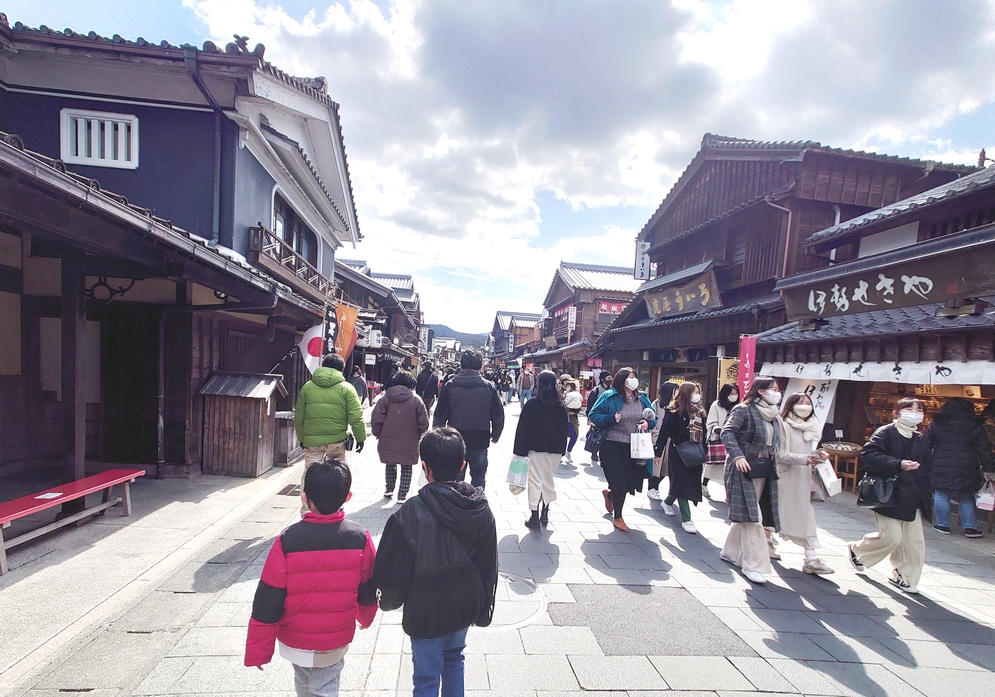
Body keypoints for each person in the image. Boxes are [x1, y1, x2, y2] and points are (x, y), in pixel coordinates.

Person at [373, 427, 498, 697]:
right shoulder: (479, 507)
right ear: (463, 465)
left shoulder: (410, 512)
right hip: (464, 602)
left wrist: (388, 601)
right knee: (454, 660)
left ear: (424, 466)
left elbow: (393, 568)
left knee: (427, 676)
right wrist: (483, 605)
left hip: (425, 608)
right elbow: (489, 562)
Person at [244, 458, 377, 696]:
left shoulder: (287, 540)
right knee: (325, 686)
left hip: (296, 636)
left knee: (304, 683)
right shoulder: (359, 538)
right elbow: (367, 586)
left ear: (305, 498)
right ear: (347, 497)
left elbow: (268, 598)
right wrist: (365, 617)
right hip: (335, 637)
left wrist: (258, 650)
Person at [847, 398, 933, 593]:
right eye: (909, 408)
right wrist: (898, 463)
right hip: (888, 493)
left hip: (912, 495)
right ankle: (858, 551)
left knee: (914, 542)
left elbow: (927, 466)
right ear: (896, 413)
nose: (915, 412)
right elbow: (869, 454)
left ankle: (905, 576)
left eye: (919, 410)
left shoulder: (920, 438)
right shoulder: (886, 433)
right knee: (892, 537)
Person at [719, 376, 783, 585]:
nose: (776, 392)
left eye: (777, 389)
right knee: (753, 518)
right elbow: (727, 432)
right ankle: (753, 565)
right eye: (772, 389)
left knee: (749, 513)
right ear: (761, 391)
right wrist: (737, 455)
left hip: (763, 469)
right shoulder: (743, 410)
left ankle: (730, 552)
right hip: (743, 468)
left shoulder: (774, 416)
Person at [294, 354, 366, 515]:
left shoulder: (307, 387)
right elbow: (356, 417)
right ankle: (335, 507)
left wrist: (301, 438)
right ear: (341, 369)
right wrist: (360, 438)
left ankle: (307, 510)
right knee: (338, 473)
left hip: (312, 440)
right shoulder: (346, 388)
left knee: (309, 473)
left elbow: (299, 417)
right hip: (336, 440)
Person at [587, 367, 656, 532]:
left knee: (628, 481)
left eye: (635, 377)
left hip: (634, 446)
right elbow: (593, 415)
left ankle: (610, 496)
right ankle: (617, 516)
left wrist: (648, 423)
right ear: (622, 379)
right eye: (630, 377)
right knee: (619, 480)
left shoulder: (642, 398)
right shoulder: (609, 396)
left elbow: (653, 418)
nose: (633, 380)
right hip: (612, 444)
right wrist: (611, 418)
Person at [776, 393, 834, 575]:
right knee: (777, 516)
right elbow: (779, 454)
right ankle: (766, 543)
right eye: (800, 402)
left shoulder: (810, 428)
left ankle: (811, 559)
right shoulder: (783, 425)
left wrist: (818, 455)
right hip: (785, 478)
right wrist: (806, 459)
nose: (805, 406)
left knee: (807, 517)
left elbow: (806, 452)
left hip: (802, 479)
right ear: (790, 405)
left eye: (808, 402)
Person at [433, 349, 505, 489]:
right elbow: (498, 415)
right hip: (480, 437)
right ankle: (476, 505)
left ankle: (456, 506)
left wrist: (437, 436)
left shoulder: (451, 385)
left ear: (461, 365)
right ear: (480, 366)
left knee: (456, 477)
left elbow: (440, 414)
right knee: (478, 476)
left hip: (455, 439)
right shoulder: (488, 387)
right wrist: (496, 434)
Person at [923, 397, 993, 538]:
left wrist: (924, 462)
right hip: (968, 464)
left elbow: (925, 444)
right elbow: (984, 449)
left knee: (941, 493)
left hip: (940, 463)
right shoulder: (975, 425)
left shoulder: (938, 423)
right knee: (966, 496)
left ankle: (942, 525)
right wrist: (988, 468)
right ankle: (970, 527)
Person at [513, 370, 569, 529]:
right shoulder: (560, 406)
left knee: (536, 481)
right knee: (548, 480)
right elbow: (564, 430)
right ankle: (545, 511)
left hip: (535, 450)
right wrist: (562, 450)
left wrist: (519, 451)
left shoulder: (532, 404)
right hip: (555, 451)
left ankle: (534, 515)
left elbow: (522, 430)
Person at [655, 382, 706, 534]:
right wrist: (658, 452)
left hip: (695, 451)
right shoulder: (672, 411)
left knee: (687, 482)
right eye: (694, 392)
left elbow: (705, 433)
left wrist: (706, 450)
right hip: (678, 451)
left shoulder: (700, 412)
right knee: (682, 482)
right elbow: (664, 432)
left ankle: (667, 501)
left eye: (698, 392)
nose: (697, 395)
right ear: (685, 394)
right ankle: (687, 519)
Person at [372, 371, 430, 502]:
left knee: (390, 463)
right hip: (410, 438)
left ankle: (389, 489)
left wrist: (378, 433)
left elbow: (377, 418)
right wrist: (419, 433)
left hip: (388, 436)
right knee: (406, 465)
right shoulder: (416, 400)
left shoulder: (386, 398)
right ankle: (402, 495)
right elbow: (423, 422)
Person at [704, 383, 738, 499]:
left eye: (736, 394)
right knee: (713, 464)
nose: (734, 396)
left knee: (730, 468)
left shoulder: (739, 406)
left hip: (734, 440)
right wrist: (716, 429)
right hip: (718, 439)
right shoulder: (717, 405)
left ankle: (729, 493)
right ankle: (704, 484)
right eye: (731, 393)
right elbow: (711, 422)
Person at [648, 381, 679, 500]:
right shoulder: (656, 404)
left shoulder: (675, 406)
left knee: (666, 468)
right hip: (658, 440)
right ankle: (652, 488)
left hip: (671, 441)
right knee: (657, 466)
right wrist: (655, 435)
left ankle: (656, 488)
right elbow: (651, 421)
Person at [586, 371, 613, 465]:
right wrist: (589, 417)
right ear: (602, 379)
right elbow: (590, 406)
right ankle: (594, 452)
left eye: (611, 378)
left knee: (606, 438)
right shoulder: (596, 391)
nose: (610, 380)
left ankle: (603, 455)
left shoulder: (613, 390)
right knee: (597, 436)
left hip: (609, 417)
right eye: (608, 378)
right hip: (598, 417)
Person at [563, 379, 583, 465]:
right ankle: (561, 452)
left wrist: (574, 412)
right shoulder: (561, 392)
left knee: (574, 435)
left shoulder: (570, 394)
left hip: (572, 419)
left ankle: (568, 451)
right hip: (563, 418)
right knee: (562, 436)